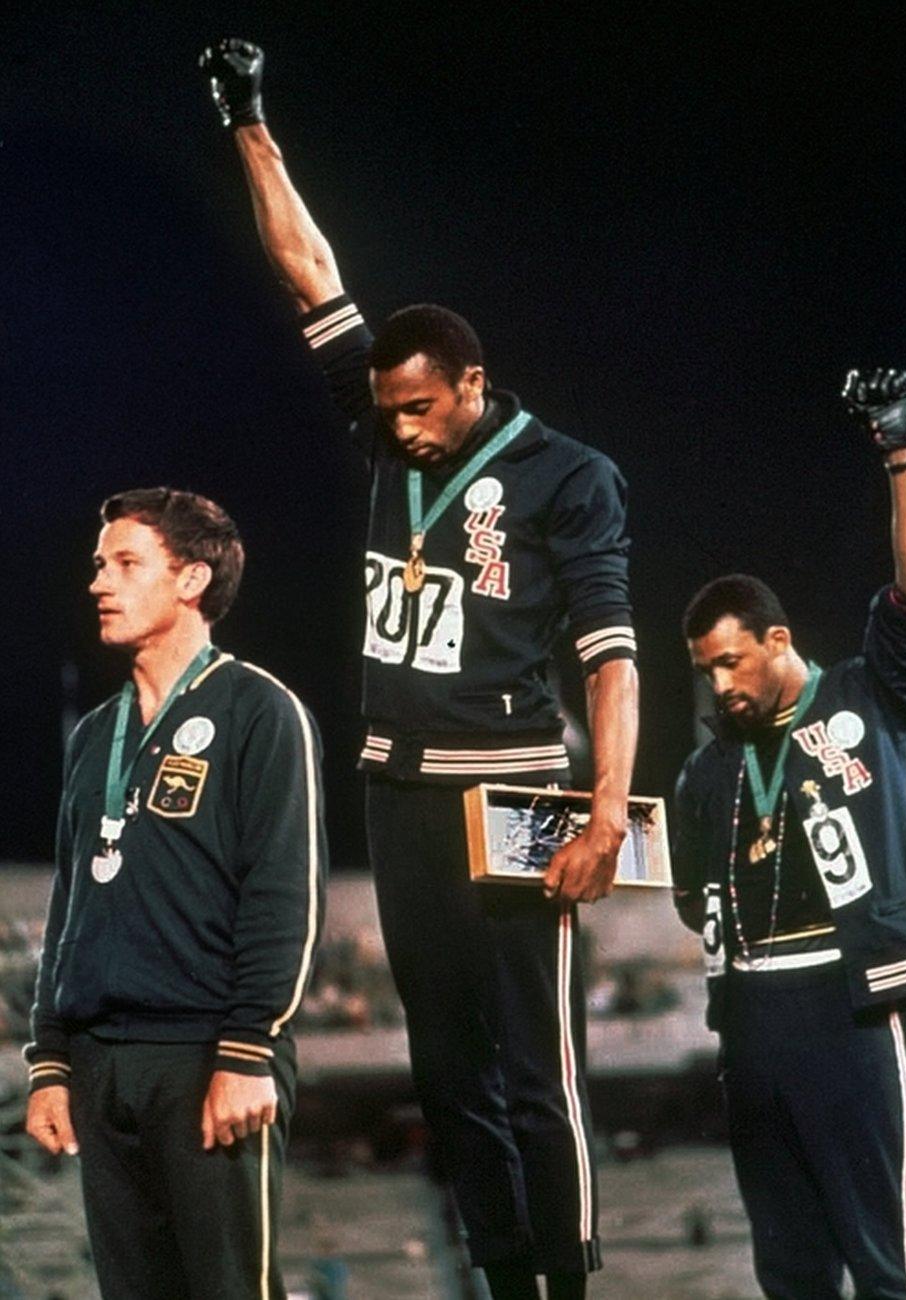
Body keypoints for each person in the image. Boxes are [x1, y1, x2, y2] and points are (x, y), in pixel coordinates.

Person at [200, 39, 639, 1299]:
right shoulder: (388, 428)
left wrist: (606, 809)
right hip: (398, 791)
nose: (393, 430)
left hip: (513, 795)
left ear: (474, 384)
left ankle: (569, 1279)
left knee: (535, 1067)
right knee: (447, 1074)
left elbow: (609, 655)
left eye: (418, 411)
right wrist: (250, 122)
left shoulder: (570, 476)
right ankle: (504, 1277)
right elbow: (312, 276)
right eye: (385, 411)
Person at [673, 369, 906, 1299]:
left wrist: (899, 453)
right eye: (706, 672)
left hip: (849, 1003)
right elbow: (682, 893)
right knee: (788, 1270)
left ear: (779, 640)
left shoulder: (864, 698)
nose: (720, 687)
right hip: (748, 1020)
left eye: (732, 662)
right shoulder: (705, 773)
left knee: (882, 1262)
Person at [24, 487, 327, 1300]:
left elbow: (283, 896)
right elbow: (69, 909)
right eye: (98, 565)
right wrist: (51, 1058)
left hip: (207, 1058)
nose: (99, 583)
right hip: (99, 1064)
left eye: (126, 564)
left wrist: (247, 1049)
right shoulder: (94, 737)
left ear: (191, 579)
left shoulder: (262, 712)